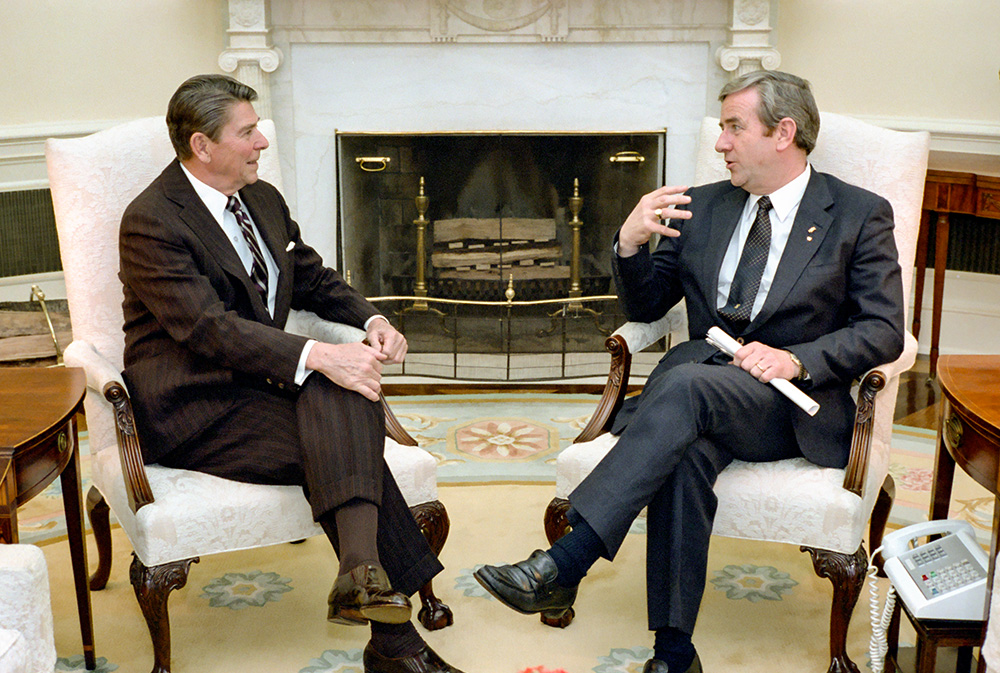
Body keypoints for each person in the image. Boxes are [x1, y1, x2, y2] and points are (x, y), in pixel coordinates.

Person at [475, 70, 905, 672]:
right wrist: (628, 245)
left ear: (783, 133)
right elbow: (649, 307)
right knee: (685, 452)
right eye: (722, 127)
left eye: (734, 127)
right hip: (701, 394)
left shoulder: (857, 214)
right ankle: (674, 653)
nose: (721, 142)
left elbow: (883, 328)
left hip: (789, 404)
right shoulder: (700, 204)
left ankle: (567, 562)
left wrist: (796, 358)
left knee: (681, 384)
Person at [119, 74, 463, 673]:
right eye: (248, 132)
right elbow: (208, 329)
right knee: (350, 432)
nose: (261, 143)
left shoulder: (262, 200)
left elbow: (312, 278)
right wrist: (319, 355)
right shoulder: (152, 220)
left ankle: (365, 585)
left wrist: (370, 319)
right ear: (202, 145)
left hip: (261, 388)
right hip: (193, 405)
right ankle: (394, 642)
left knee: (349, 390)